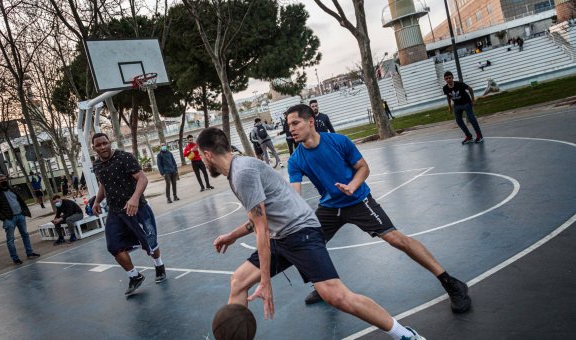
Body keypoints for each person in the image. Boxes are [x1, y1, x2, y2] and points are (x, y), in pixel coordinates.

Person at [197, 127, 426, 340]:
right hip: (282, 235)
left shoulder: (242, 173)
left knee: (336, 296)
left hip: (301, 232)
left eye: (199, 155)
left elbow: (261, 228)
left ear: (207, 154)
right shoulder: (240, 169)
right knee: (238, 281)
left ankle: (404, 334)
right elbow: (260, 219)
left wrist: (266, 281)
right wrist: (233, 235)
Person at [284, 104, 472, 314]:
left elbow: (363, 167)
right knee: (306, 244)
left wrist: (352, 186)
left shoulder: (339, 141)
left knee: (396, 239)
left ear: (310, 122)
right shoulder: (295, 160)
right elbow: (294, 194)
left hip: (358, 200)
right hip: (329, 208)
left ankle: (450, 282)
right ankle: (323, 286)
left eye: (295, 123)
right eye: (288, 124)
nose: (290, 128)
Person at [91, 133, 166, 296]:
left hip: (136, 208)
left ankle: (159, 265)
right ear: (94, 148)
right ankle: (134, 276)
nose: (103, 147)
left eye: (105, 143)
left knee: (150, 243)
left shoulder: (124, 158)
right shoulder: (97, 165)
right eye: (99, 145)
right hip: (115, 211)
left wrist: (134, 199)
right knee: (114, 246)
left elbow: (142, 178)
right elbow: (104, 184)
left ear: (109, 142)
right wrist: (97, 201)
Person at [0, 174, 40, 265]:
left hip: (20, 216)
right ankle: (15, 258)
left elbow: (21, 201)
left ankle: (29, 253)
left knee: (25, 235)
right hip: (9, 219)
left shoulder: (13, 190)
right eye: (1, 180)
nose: (3, 181)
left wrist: (24, 212)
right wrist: (4, 218)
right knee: (10, 240)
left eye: (4, 179)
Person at [443, 71, 484, 144]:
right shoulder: (445, 88)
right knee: (459, 121)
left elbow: (470, 89)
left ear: (452, 77)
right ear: (445, 80)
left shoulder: (459, 84)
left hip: (466, 103)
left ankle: (479, 136)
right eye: (446, 78)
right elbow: (448, 96)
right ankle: (469, 136)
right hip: (457, 105)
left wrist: (473, 100)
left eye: (449, 78)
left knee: (471, 119)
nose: (448, 80)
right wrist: (449, 106)